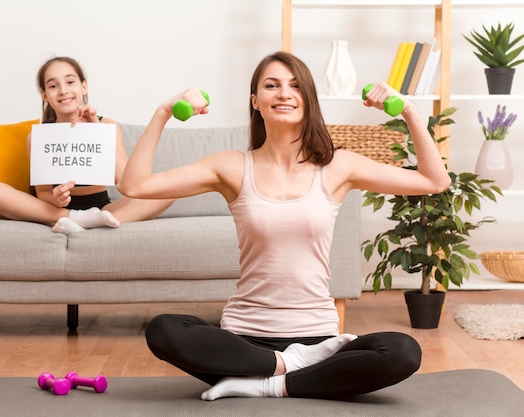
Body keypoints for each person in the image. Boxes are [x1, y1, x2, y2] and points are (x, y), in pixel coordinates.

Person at [117, 51, 452, 400]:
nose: (283, 93)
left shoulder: (338, 167)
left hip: (318, 338)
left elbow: (434, 181)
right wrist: (162, 113)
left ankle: (268, 382)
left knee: (402, 351)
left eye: (294, 86)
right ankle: (287, 368)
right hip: (244, 337)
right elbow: (135, 186)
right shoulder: (231, 167)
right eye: (271, 85)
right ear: (255, 101)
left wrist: (410, 111)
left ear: (308, 99)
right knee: (163, 329)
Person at [0, 57, 173, 234]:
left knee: (169, 190)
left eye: (70, 82)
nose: (63, 90)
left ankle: (88, 224)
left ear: (84, 87)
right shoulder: (38, 136)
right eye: (53, 86)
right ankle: (79, 221)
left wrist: (96, 130)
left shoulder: (106, 125)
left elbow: (126, 182)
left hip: (102, 209)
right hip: (56, 210)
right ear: (45, 95)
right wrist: (55, 199)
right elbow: (42, 193)